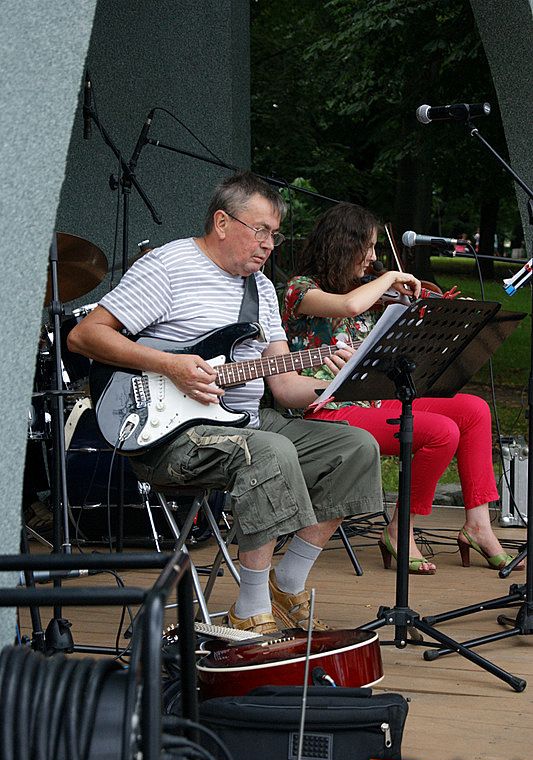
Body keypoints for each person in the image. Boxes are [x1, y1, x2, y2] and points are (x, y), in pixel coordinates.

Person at [67, 172, 383, 633]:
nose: (269, 244)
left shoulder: (263, 291)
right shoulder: (168, 266)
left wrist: (341, 380)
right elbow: (84, 335)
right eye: (261, 231)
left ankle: (287, 585)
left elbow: (286, 387)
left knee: (355, 448)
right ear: (221, 221)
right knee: (269, 451)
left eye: (274, 235)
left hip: (245, 421)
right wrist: (172, 365)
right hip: (169, 435)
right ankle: (252, 609)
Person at [282, 202, 523, 575]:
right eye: (369, 248)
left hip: (374, 399)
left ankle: (478, 525)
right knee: (441, 432)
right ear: (344, 245)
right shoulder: (301, 291)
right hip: (326, 407)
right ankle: (400, 529)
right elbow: (348, 305)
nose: (373, 258)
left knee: (474, 410)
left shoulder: (371, 296)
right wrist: (390, 276)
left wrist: (444, 315)